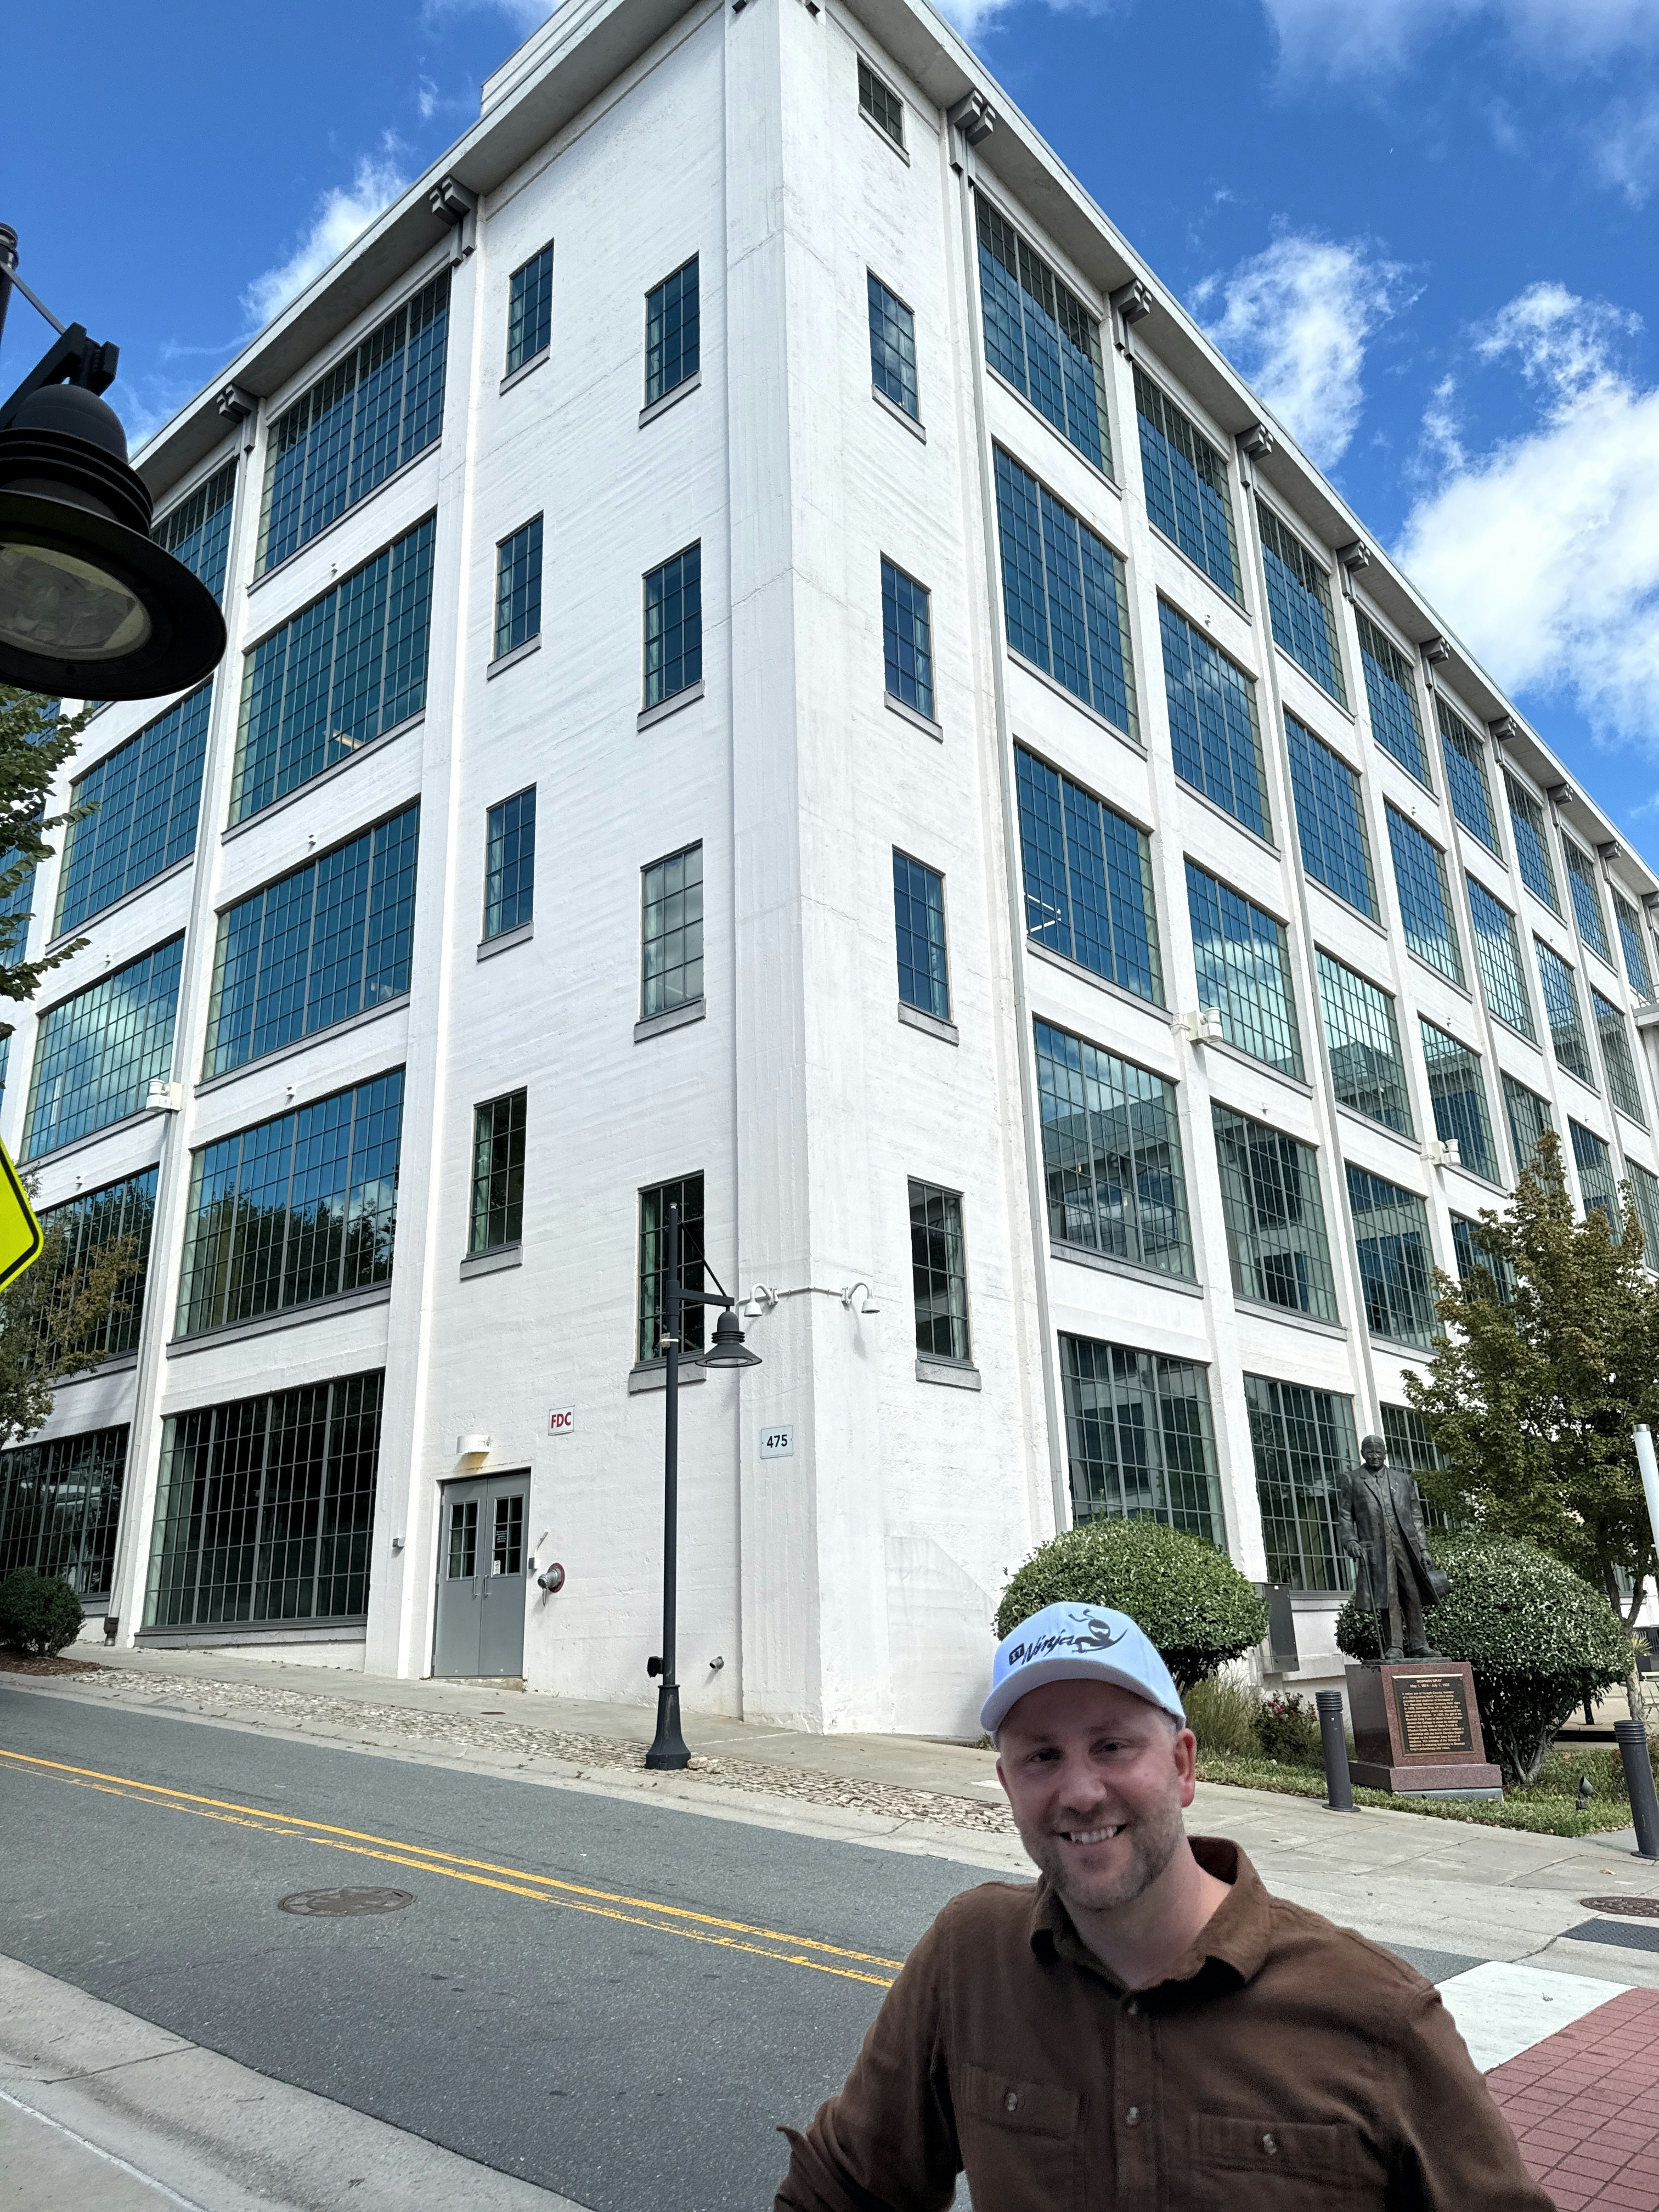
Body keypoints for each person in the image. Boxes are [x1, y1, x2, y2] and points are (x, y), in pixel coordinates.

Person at [774, 1601, 1549, 2210]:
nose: (1080, 1792)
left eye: (1112, 1746)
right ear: (1009, 1786)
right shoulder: (968, 1960)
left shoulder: (1375, 2014)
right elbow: (844, 2188)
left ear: (1182, 1767)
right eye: (1042, 1756)